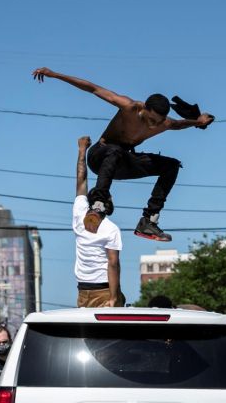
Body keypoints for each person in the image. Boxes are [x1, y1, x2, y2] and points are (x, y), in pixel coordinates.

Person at [32, 67, 214, 242]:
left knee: (172, 165)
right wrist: (54, 74)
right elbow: (92, 88)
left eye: (157, 122)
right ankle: (98, 205)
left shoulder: (165, 124)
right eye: (150, 119)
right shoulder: (129, 107)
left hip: (123, 161)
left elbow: (179, 124)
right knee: (115, 150)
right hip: (99, 156)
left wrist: (198, 122)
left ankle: (148, 221)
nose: (152, 125)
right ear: (143, 108)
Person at [72, 135, 124, 307]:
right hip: (104, 291)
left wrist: (82, 151)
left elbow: (81, 179)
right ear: (107, 203)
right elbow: (113, 264)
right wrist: (113, 297)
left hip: (82, 290)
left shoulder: (80, 214)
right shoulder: (110, 229)